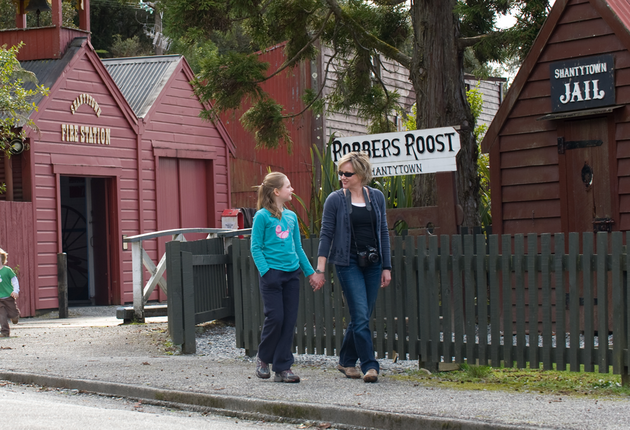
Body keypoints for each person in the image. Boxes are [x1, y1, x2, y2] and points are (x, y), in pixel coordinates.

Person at [311, 151, 391, 383]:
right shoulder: (335, 199)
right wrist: (320, 269)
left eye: (348, 173)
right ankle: (370, 365)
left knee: (361, 316)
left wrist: (387, 266)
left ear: (362, 173)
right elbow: (326, 235)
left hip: (373, 263)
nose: (343, 177)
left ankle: (346, 361)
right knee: (361, 316)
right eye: (340, 173)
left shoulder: (376, 197)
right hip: (348, 263)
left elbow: (383, 232)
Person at [250, 172, 322, 383]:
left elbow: (297, 248)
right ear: (276, 191)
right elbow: (256, 247)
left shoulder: (291, 217)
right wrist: (267, 272)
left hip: (292, 275)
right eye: (288, 186)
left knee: (289, 321)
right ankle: (263, 358)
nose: (292, 190)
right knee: (276, 317)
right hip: (272, 276)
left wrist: (311, 273)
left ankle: (283, 367)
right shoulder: (262, 216)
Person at [0, 248, 20, 338]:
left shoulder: (7, 270)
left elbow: (15, 281)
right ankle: (4, 332)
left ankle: (15, 316)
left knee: (13, 315)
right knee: (2, 316)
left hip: (8, 296)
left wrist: (15, 291)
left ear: (2, 258)